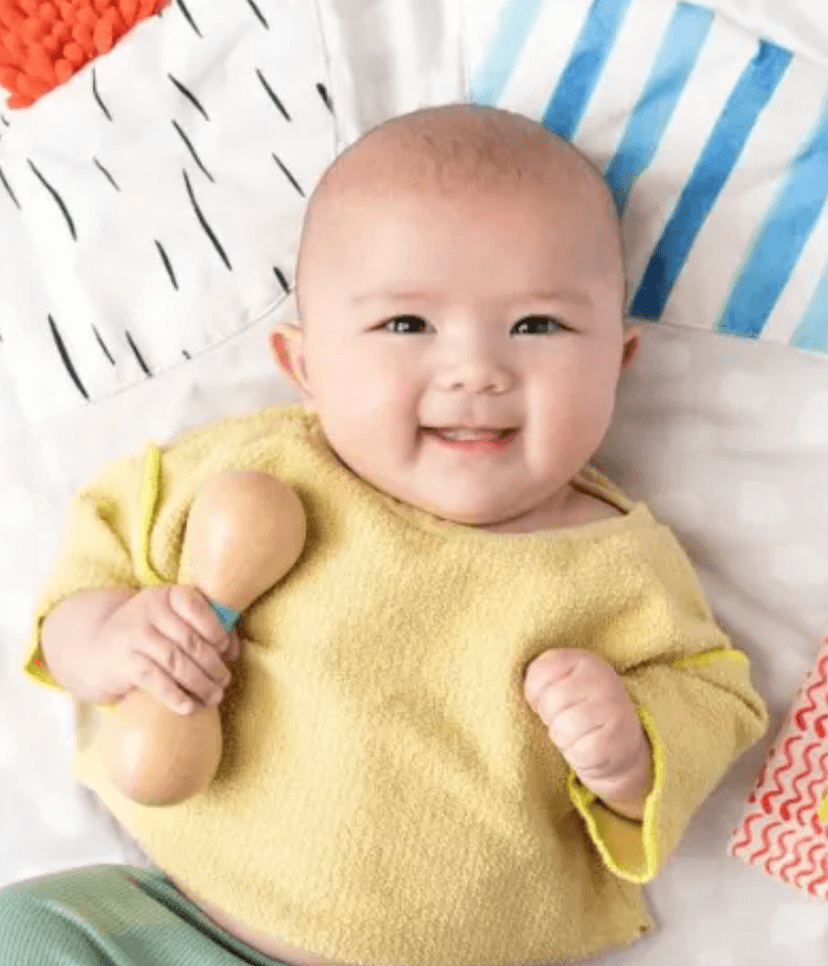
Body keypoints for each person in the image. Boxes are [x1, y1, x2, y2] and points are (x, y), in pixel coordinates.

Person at [0, 104, 767, 966]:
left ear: (617, 363)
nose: (476, 369)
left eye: (538, 325)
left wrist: (631, 747)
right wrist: (111, 636)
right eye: (407, 325)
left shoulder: (620, 564)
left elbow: (717, 696)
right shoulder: (257, 470)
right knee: (25, 930)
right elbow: (88, 566)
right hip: (174, 923)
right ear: (306, 367)